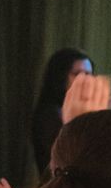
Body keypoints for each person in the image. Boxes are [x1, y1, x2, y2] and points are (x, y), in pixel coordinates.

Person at [30, 47, 93, 177]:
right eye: (78, 74)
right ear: (60, 76)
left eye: (89, 74)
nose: (86, 81)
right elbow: (67, 161)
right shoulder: (49, 115)